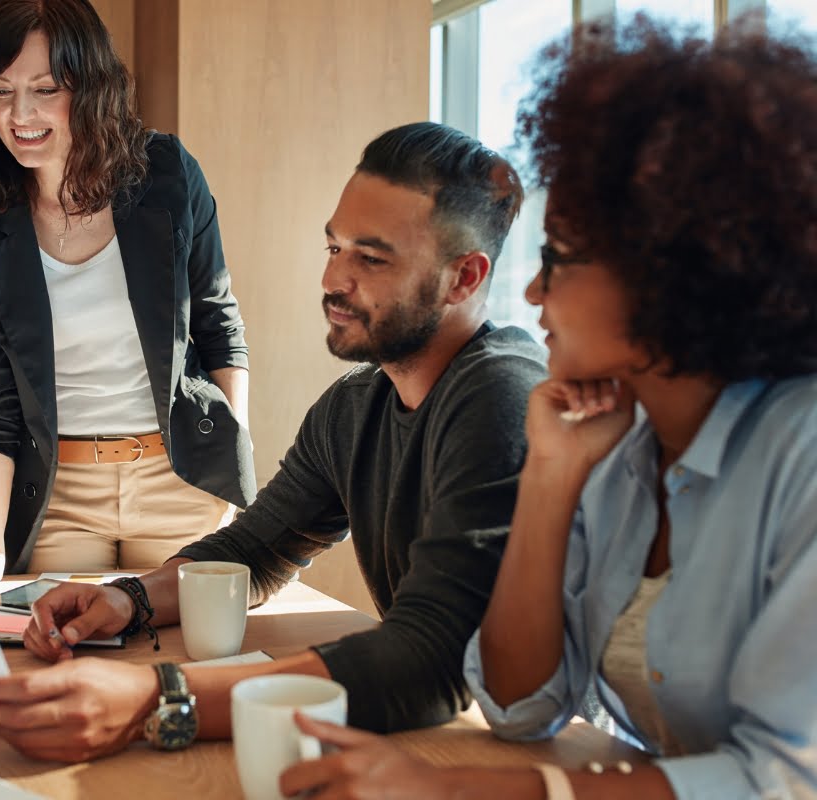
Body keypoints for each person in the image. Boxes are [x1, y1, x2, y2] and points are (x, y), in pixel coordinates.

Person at [274, 17, 817, 800]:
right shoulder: (616, 446)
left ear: (674, 268)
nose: (531, 292)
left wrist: (456, 793)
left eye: (558, 260)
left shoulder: (798, 455)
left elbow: (782, 781)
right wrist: (551, 480)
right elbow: (522, 705)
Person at [0, 121, 547, 761]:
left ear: (465, 278)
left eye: (371, 258)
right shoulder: (355, 407)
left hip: (527, 756)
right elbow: (255, 548)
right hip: (437, 735)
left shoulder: (501, 395)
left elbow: (432, 655)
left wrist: (157, 697)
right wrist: (124, 600)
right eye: (333, 248)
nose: (334, 281)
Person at [0, 0, 255, 584]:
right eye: (0, 91)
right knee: (59, 652)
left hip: (180, 479)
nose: (21, 114)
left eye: (46, 88)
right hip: (58, 493)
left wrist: (229, 477)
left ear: (90, 87)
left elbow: (219, 328)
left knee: (191, 657)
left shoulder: (166, 172)